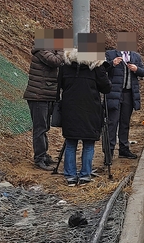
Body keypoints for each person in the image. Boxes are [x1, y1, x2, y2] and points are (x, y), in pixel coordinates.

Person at [58, 35, 112, 186]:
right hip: (91, 110)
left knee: (70, 143)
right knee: (88, 144)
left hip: (70, 110)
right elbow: (107, 88)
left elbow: (61, 84)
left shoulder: (66, 65)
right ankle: (85, 175)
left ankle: (69, 176)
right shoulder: (96, 67)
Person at [23, 28, 67, 171]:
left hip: (46, 94)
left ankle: (44, 155)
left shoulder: (48, 49)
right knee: (40, 128)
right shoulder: (42, 49)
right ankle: (39, 158)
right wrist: (62, 50)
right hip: (38, 95)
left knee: (45, 127)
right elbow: (55, 61)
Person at [106, 32, 144, 159]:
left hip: (129, 94)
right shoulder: (110, 54)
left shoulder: (135, 56)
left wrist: (136, 69)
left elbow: (143, 72)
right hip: (114, 94)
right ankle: (109, 151)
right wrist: (112, 64)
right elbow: (102, 70)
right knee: (112, 123)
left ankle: (124, 149)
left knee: (125, 122)